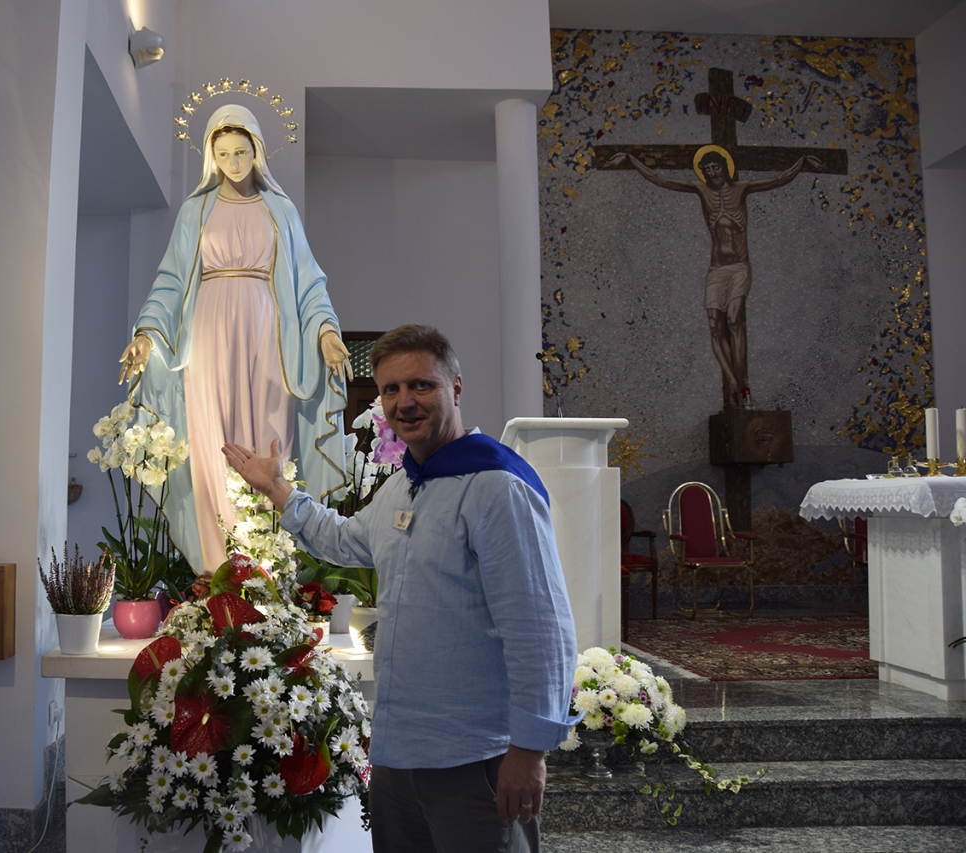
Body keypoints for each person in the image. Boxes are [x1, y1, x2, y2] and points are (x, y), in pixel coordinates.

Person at [222, 324, 581, 853]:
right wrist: (278, 489)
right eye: (391, 389)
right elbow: (345, 539)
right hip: (398, 756)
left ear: (456, 388)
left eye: (421, 386)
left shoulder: (496, 487)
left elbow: (541, 628)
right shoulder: (405, 483)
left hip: (472, 758)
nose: (404, 402)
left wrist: (529, 751)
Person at [118, 104, 350, 575]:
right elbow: (170, 281)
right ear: (211, 156)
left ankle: (267, 566)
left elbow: (308, 281)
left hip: (268, 336)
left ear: (257, 150)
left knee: (269, 436)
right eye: (223, 153)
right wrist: (147, 333)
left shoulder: (280, 210)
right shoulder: (196, 211)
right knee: (210, 441)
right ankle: (216, 566)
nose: (234, 162)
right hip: (208, 336)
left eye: (241, 151)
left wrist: (326, 331)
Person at [607, 146, 822, 410]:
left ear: (725, 167)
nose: (712, 173)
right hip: (717, 270)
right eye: (707, 169)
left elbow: (778, 180)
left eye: (716, 167)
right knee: (714, 326)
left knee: (733, 320)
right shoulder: (701, 190)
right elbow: (661, 180)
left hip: (739, 267)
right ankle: (734, 384)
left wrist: (801, 162)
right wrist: (631, 160)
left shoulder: (742, 188)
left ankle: (743, 386)